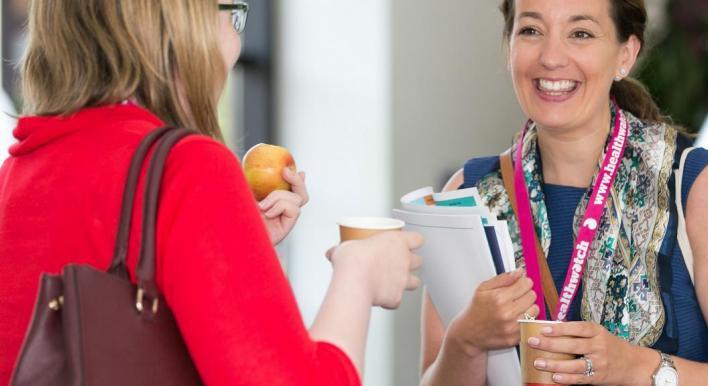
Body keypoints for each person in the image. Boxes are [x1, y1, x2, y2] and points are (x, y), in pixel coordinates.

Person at [0, 1, 423, 385]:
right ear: (186, 25)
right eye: (232, 12)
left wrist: (233, 239)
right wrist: (358, 275)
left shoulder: (18, 170)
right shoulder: (187, 168)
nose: (235, 39)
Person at [420, 1, 708, 385]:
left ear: (625, 54)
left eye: (580, 33)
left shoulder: (696, 185)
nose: (551, 57)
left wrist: (637, 368)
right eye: (531, 31)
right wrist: (466, 341)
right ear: (508, 45)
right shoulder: (468, 195)